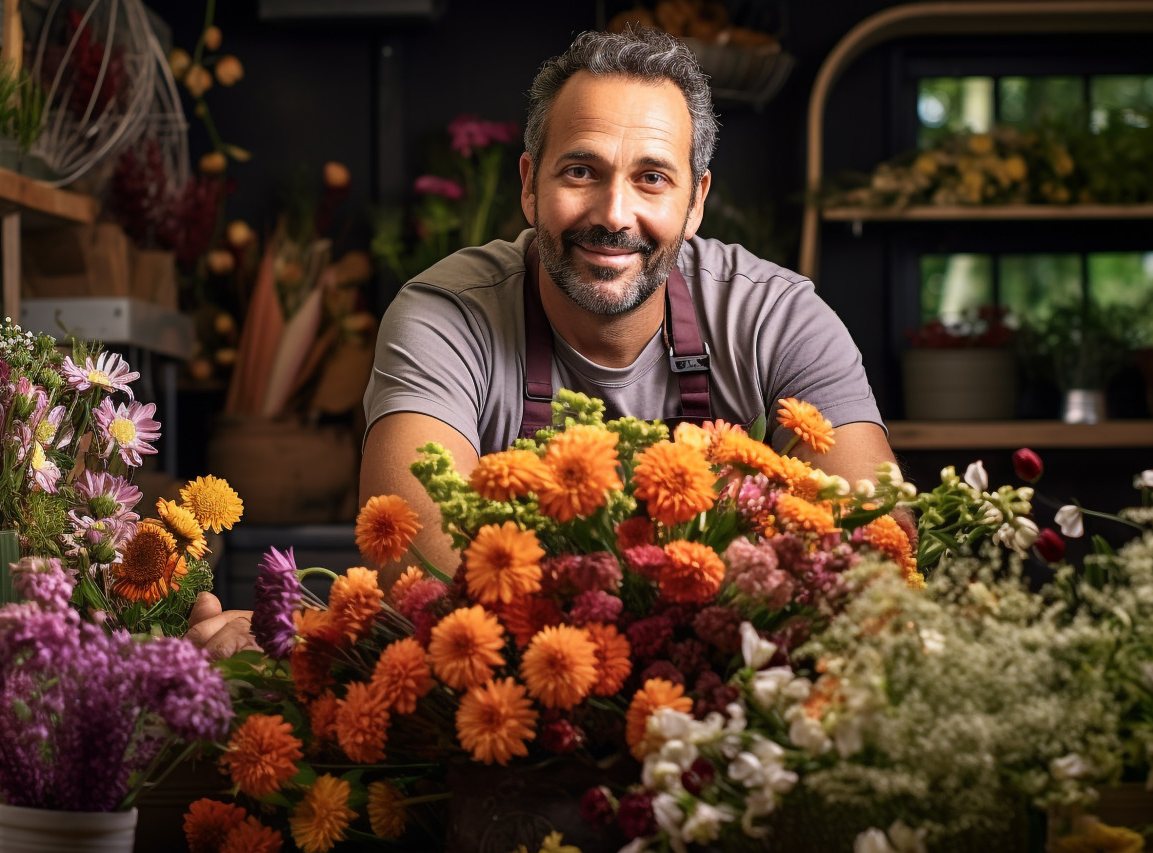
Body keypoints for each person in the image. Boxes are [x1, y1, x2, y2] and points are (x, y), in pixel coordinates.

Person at [189, 25, 899, 653]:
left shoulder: (778, 317)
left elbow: (874, 556)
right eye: (581, 170)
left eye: (652, 179)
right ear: (530, 186)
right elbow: (418, 575)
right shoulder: (446, 315)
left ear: (695, 204)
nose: (613, 213)